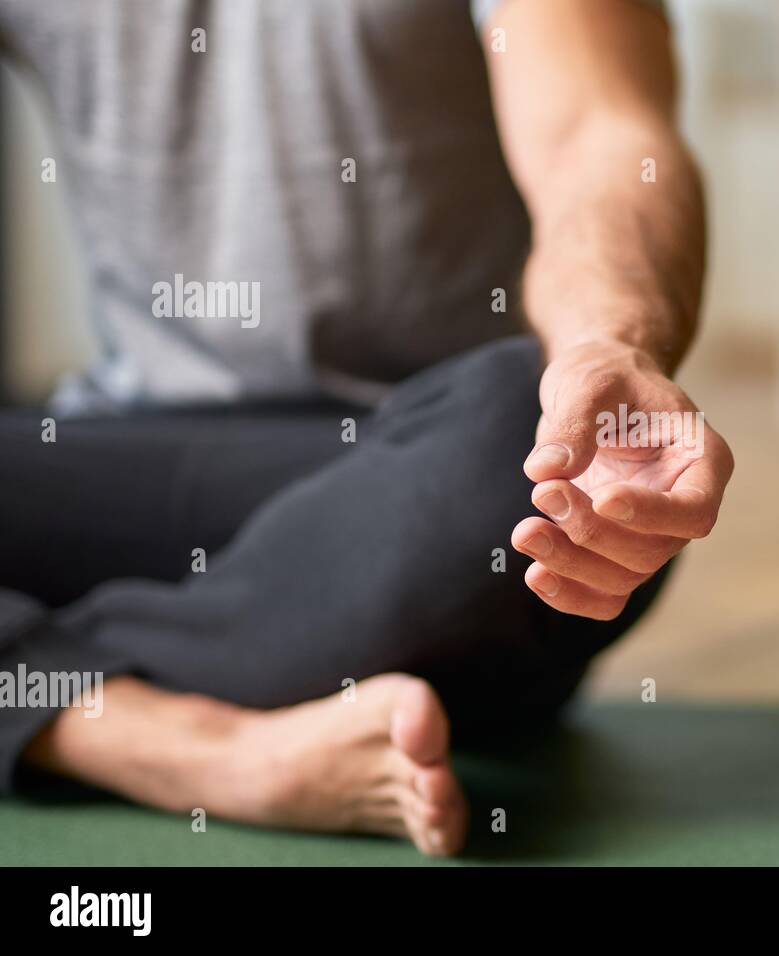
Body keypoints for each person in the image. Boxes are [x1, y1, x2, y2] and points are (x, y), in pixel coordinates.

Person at [0, 0, 732, 856]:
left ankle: (49, 675)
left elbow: (599, 134)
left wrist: (607, 343)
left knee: (537, 449)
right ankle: (170, 743)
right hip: (120, 462)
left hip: (420, 484)